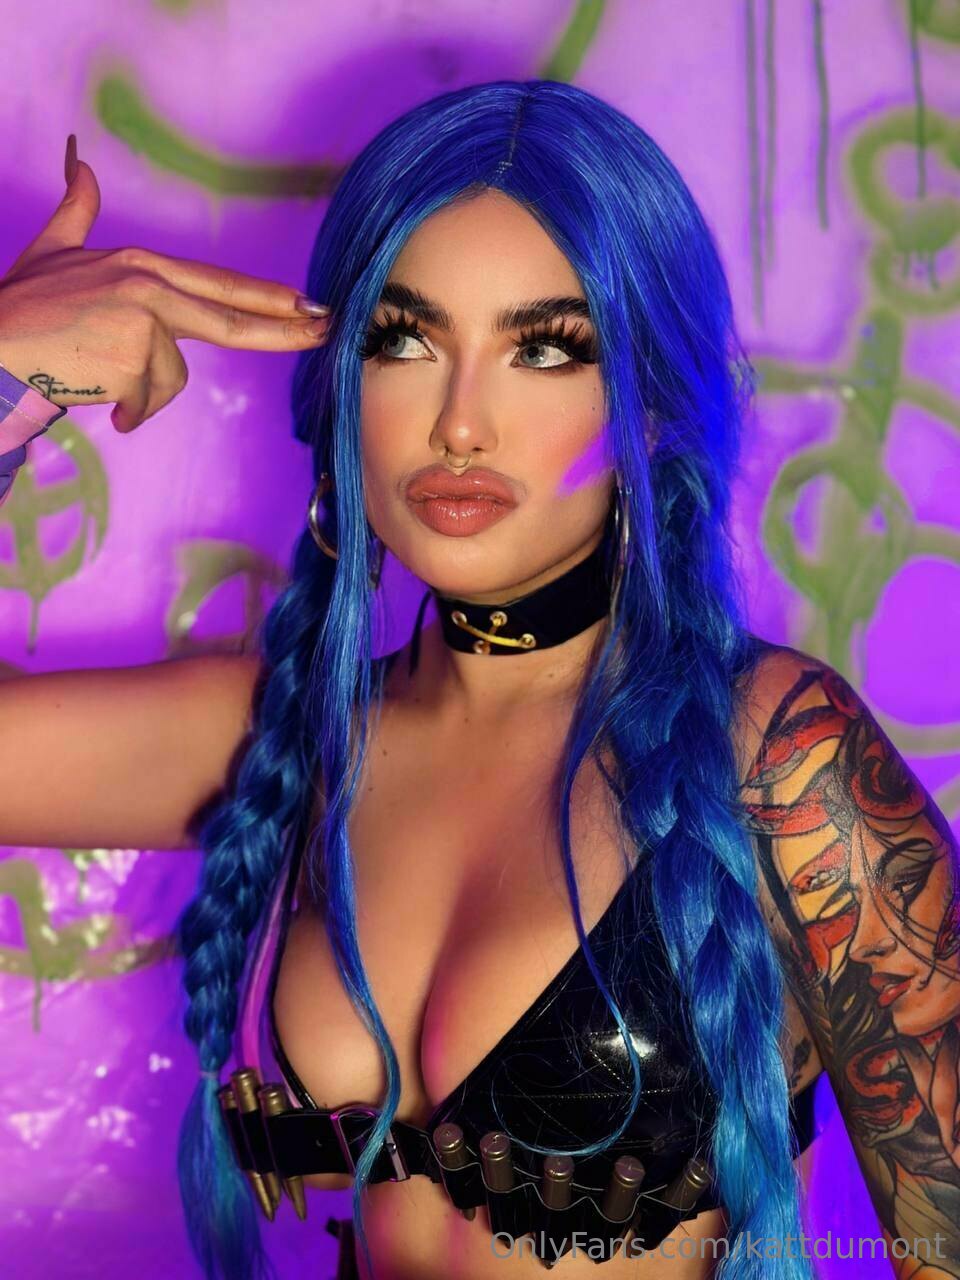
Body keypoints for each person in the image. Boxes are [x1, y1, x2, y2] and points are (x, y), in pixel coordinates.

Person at [0, 81, 956, 1280]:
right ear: (341, 385)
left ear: (653, 407)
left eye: (545, 348)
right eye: (404, 339)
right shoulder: (292, 733)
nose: (460, 423)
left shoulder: (781, 756)